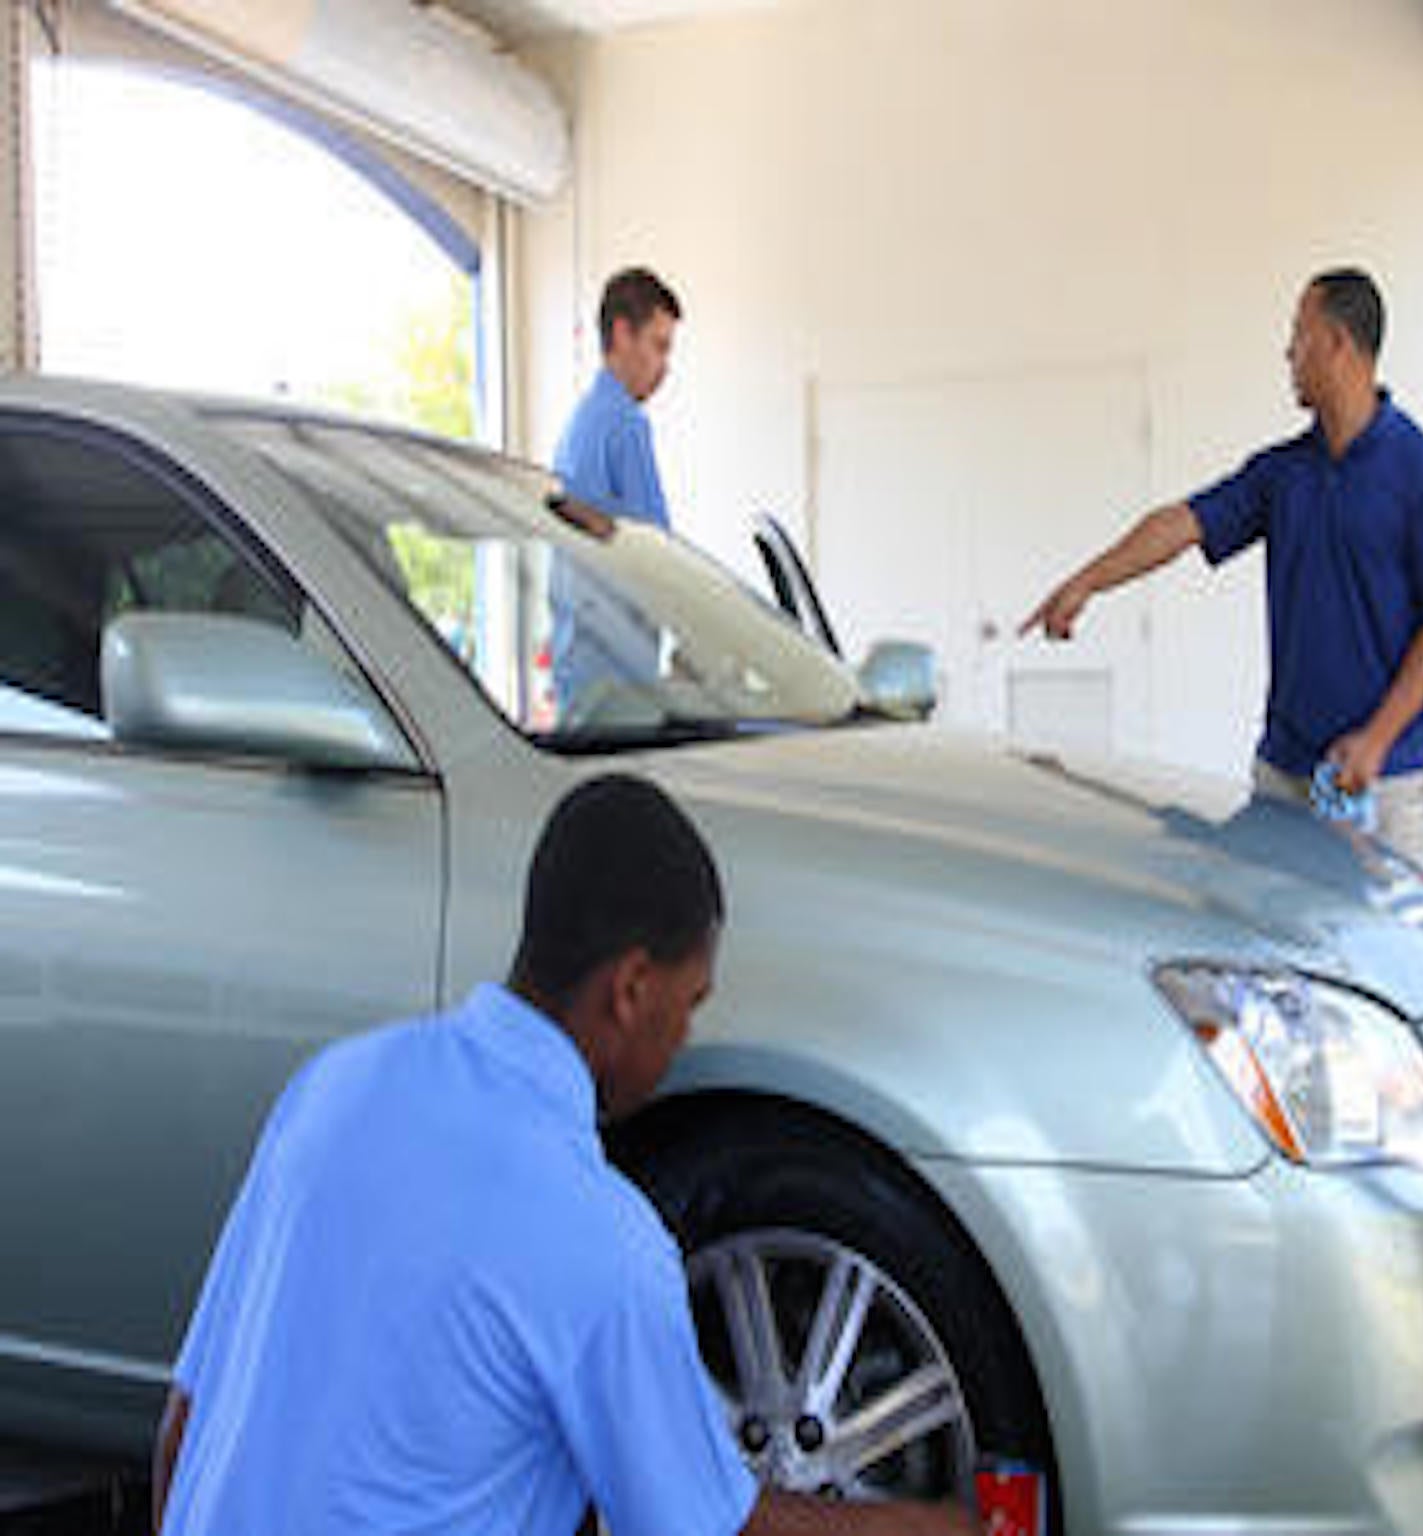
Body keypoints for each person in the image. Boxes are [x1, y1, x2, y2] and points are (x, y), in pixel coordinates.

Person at [152, 775, 977, 1536]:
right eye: (689, 1004)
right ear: (631, 989)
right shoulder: (598, 1240)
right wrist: (928, 1528)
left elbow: (183, 1429)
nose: (687, 1037)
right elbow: (707, 1528)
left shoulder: (334, 1088)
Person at [1020, 269, 1423, 864]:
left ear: (1338, 344)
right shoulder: (1283, 474)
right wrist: (1086, 582)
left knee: (1379, 956)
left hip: (1382, 782)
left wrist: (1375, 741)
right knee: (1267, 952)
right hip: (1284, 777)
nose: (1289, 352)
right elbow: (1180, 524)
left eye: (1300, 334)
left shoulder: (1421, 472)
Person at [550, 267, 683, 722]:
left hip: (580, 682)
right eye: (659, 346)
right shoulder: (625, 423)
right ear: (623, 334)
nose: (665, 366)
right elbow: (655, 554)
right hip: (620, 691)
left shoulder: (580, 423)